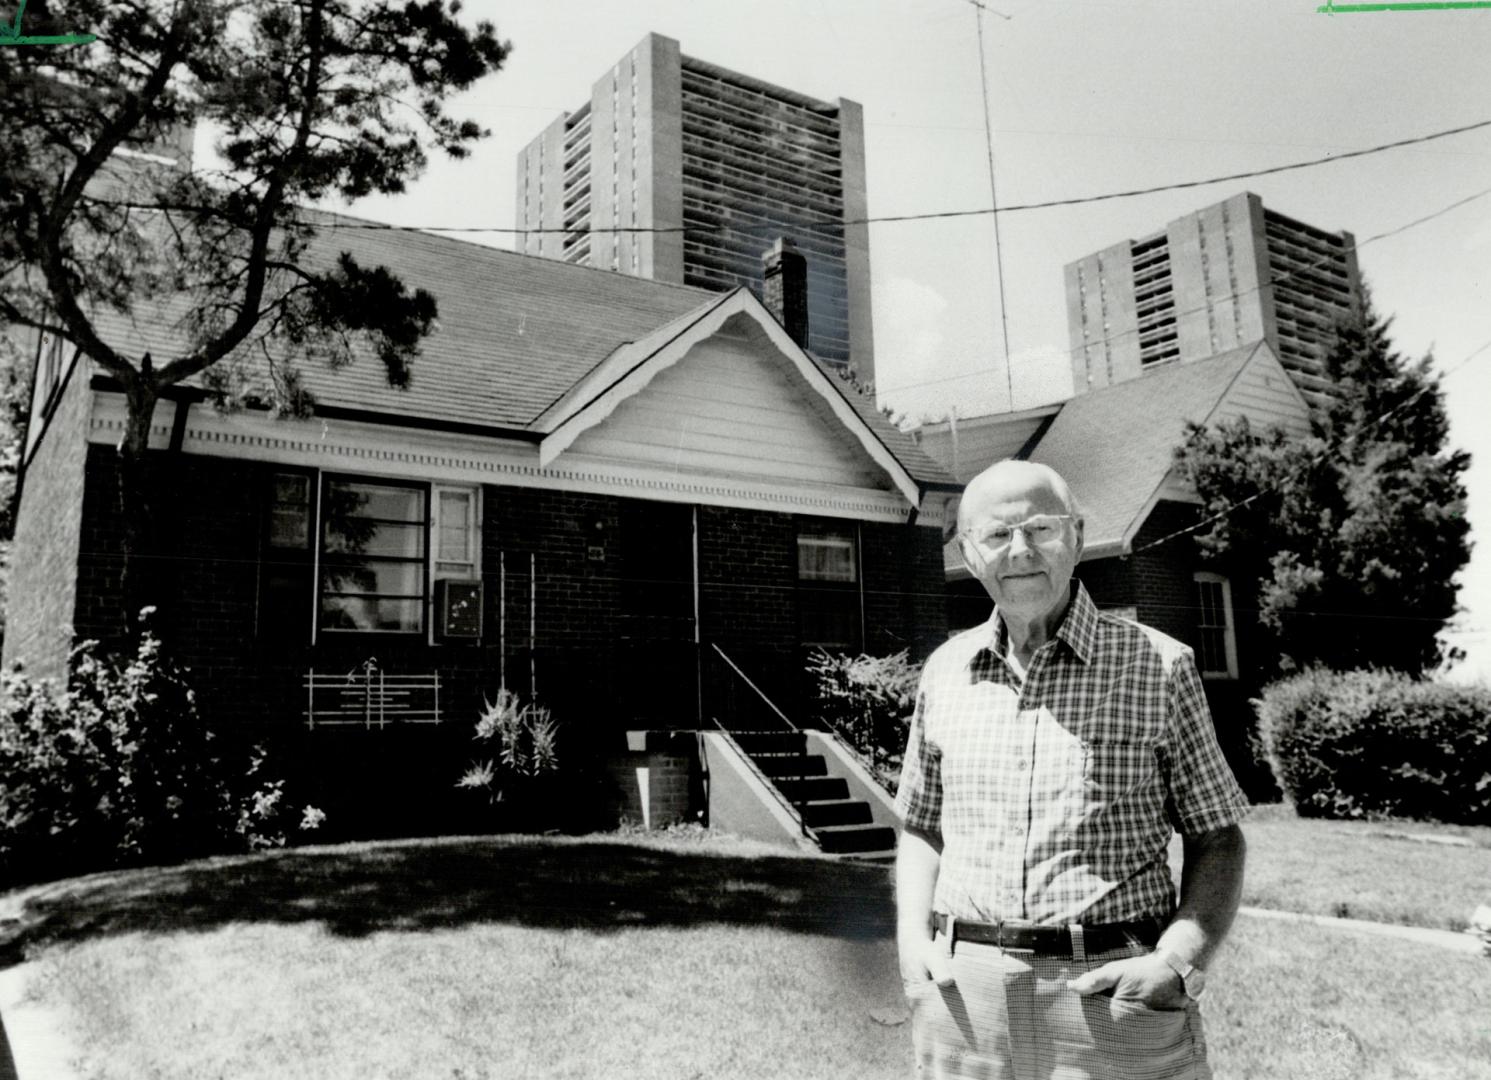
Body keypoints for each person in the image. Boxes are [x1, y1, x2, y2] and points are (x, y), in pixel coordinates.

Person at [895, 460, 1248, 1080]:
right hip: (962, 996)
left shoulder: (1159, 665)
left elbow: (1217, 834)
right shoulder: (944, 672)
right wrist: (910, 942)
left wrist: (1177, 963)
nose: (1021, 551)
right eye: (998, 535)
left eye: (1041, 529)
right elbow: (921, 827)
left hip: (1110, 995)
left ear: (1078, 537)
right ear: (970, 554)